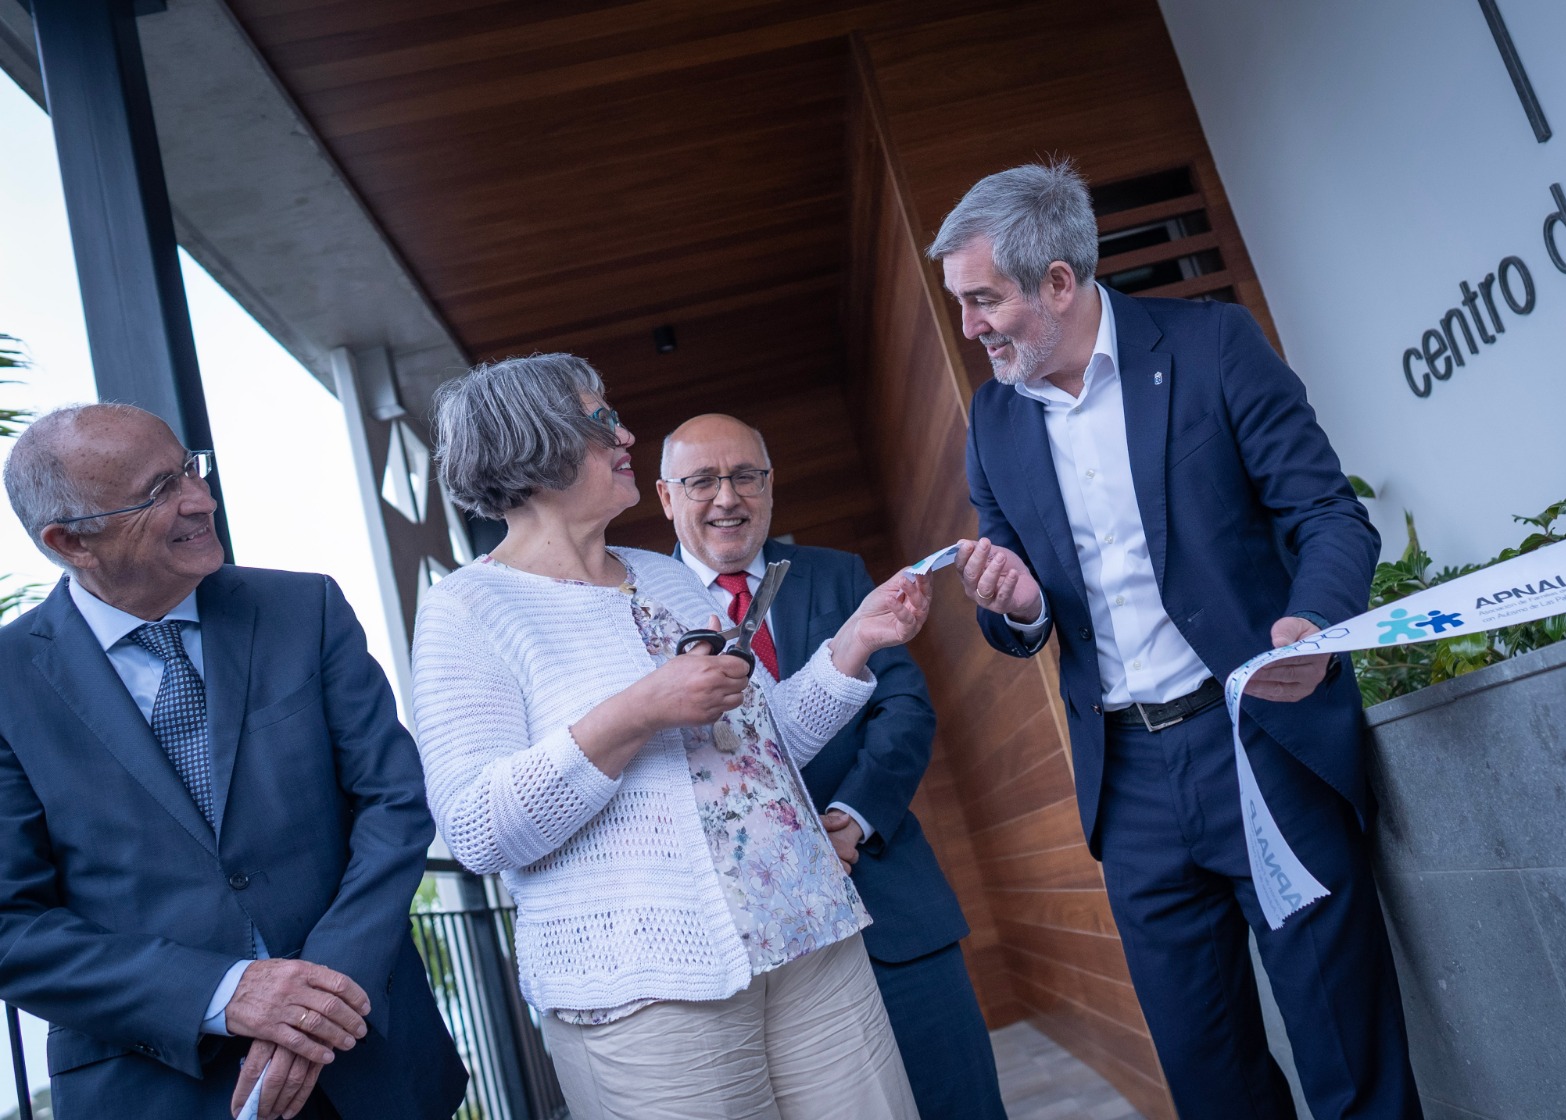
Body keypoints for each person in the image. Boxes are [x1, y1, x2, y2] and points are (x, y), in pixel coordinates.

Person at [927, 162, 1421, 1119]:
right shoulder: (992, 420)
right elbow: (1014, 604)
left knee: (1349, 1063)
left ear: (1058, 282)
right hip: (1131, 790)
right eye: (959, 302)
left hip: (1260, 745)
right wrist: (1018, 606)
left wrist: (1311, 626)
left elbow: (1329, 515)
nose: (971, 324)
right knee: (1210, 1085)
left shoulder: (1212, 345)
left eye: (984, 299)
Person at [410, 354, 931, 1120]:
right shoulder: (470, 608)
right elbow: (477, 829)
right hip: (653, 987)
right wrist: (639, 710)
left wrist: (855, 641)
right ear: (533, 441)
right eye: (600, 420)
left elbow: (764, 750)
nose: (626, 435)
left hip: (809, 933)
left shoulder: (664, 575)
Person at [0, 404, 466, 1120]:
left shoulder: (305, 608)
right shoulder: (8, 682)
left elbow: (394, 802)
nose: (200, 499)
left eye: (190, 469)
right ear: (70, 541)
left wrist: (317, 997)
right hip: (154, 1089)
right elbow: (11, 926)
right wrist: (223, 994)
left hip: (368, 1058)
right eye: (159, 491)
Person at [657, 412, 1007, 1120]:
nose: (727, 497)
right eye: (701, 481)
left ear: (770, 485)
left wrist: (848, 821)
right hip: (763, 951)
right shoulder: (644, 606)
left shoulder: (838, 573)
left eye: (745, 476)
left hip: (886, 898)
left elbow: (903, 709)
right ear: (666, 497)